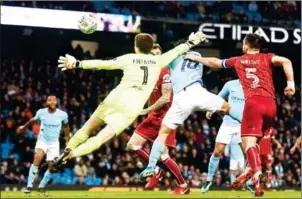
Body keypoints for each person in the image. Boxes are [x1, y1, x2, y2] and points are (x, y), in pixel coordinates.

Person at [53, 32, 207, 166]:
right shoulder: (159, 60)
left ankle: (66, 150)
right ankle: (71, 155)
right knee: (101, 138)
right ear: (150, 47)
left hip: (116, 98)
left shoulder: (129, 58)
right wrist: (193, 41)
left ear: (136, 46)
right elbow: (179, 49)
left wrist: (77, 63)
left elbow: (102, 64)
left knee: (86, 129)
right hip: (132, 108)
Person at [183, 33, 295, 196]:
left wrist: (195, 58)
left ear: (246, 46)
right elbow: (286, 61)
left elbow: (214, 62)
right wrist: (290, 84)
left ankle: (256, 175)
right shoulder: (267, 57)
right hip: (271, 104)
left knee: (248, 144)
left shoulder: (239, 60)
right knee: (256, 145)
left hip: (253, 104)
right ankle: (251, 176)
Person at [138, 43, 243, 181]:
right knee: (227, 108)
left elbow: (161, 63)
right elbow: (209, 63)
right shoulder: (197, 55)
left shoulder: (173, 57)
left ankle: (151, 167)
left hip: (182, 97)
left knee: (163, 133)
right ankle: (251, 125)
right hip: (198, 92)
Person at [126, 44, 188, 195]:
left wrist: (147, 110)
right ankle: (155, 170)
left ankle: (183, 185)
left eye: (157, 54)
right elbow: (150, 97)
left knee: (163, 155)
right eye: (152, 54)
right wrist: (148, 112)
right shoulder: (148, 74)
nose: (155, 57)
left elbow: (166, 97)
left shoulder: (165, 71)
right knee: (132, 145)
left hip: (166, 116)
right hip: (153, 116)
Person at [17, 95, 70, 194]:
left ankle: (41, 186)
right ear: (47, 103)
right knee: (37, 158)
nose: (52, 101)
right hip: (42, 141)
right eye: (50, 100)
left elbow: (66, 126)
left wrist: (67, 139)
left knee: (53, 168)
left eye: (54, 100)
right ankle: (29, 186)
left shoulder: (63, 114)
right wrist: (24, 127)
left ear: (56, 102)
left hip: (54, 143)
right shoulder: (41, 112)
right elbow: (33, 120)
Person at [200, 79, 245, 193]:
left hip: (243, 124)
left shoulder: (252, 87)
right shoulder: (230, 85)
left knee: (248, 154)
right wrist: (211, 109)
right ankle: (209, 180)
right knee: (217, 152)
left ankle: (249, 182)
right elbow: (218, 98)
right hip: (228, 123)